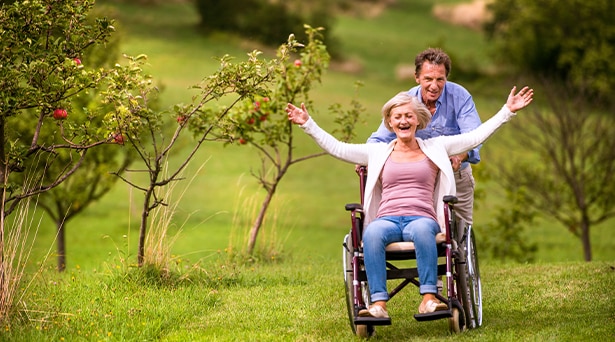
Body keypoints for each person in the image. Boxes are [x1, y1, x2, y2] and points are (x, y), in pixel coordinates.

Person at [286, 86, 533, 318]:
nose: (403, 121)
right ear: (390, 123)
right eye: (398, 117)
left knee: (424, 231)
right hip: (388, 219)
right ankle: (378, 304)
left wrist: (507, 111)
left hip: (422, 217)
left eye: (408, 116)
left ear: (418, 120)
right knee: (371, 234)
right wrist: (308, 123)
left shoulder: (436, 146)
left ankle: (428, 298)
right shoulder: (378, 152)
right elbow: (337, 148)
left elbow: (475, 137)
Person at [366, 48, 481, 225]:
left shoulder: (460, 97)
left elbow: (474, 137)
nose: (434, 86)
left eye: (440, 79)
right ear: (417, 77)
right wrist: (364, 157)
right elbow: (379, 139)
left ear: (446, 78)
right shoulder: (406, 101)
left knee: (461, 229)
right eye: (428, 79)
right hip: (418, 179)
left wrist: (461, 156)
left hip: (455, 174)